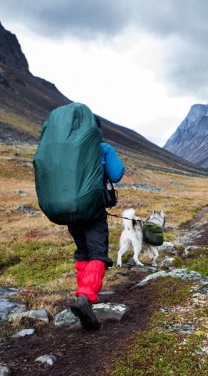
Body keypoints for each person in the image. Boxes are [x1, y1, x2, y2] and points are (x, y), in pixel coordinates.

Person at [68, 115, 125, 330]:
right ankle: (85, 296)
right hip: (93, 208)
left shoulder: (67, 149)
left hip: (69, 210)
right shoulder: (103, 148)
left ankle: (84, 300)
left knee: (83, 252)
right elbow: (117, 174)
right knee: (98, 253)